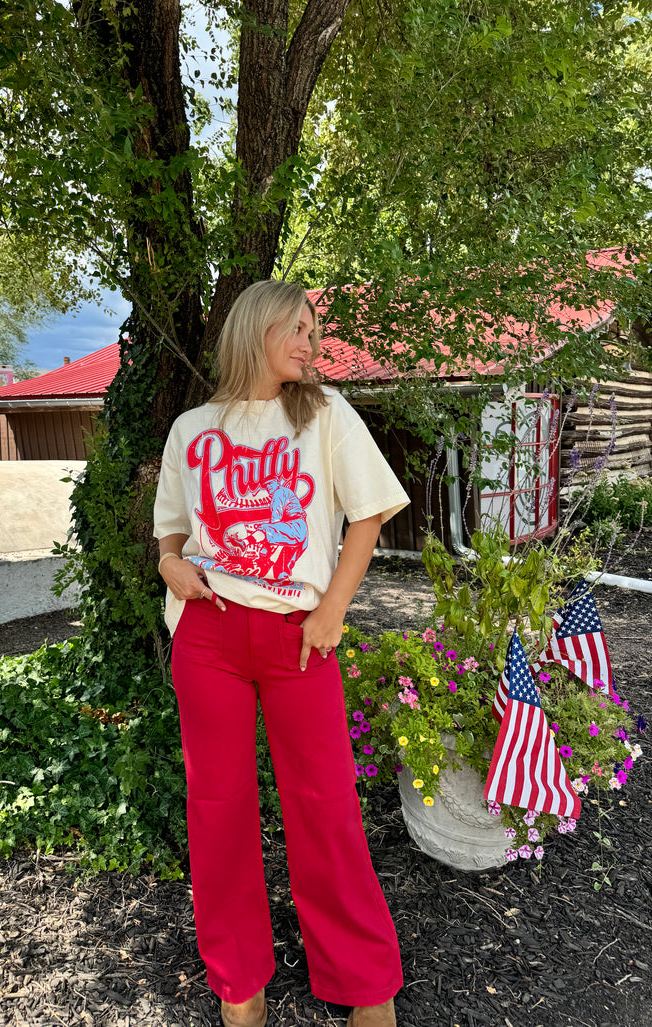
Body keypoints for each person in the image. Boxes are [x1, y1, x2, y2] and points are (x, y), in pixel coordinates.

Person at [153, 280, 409, 1027]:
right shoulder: (191, 429)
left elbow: (368, 514)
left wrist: (332, 608)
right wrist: (170, 564)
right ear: (255, 328)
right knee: (218, 809)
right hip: (210, 634)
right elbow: (171, 537)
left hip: (301, 636)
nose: (310, 342)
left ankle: (366, 982)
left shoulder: (324, 414)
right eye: (297, 327)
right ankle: (240, 982)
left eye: (313, 329)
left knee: (326, 805)